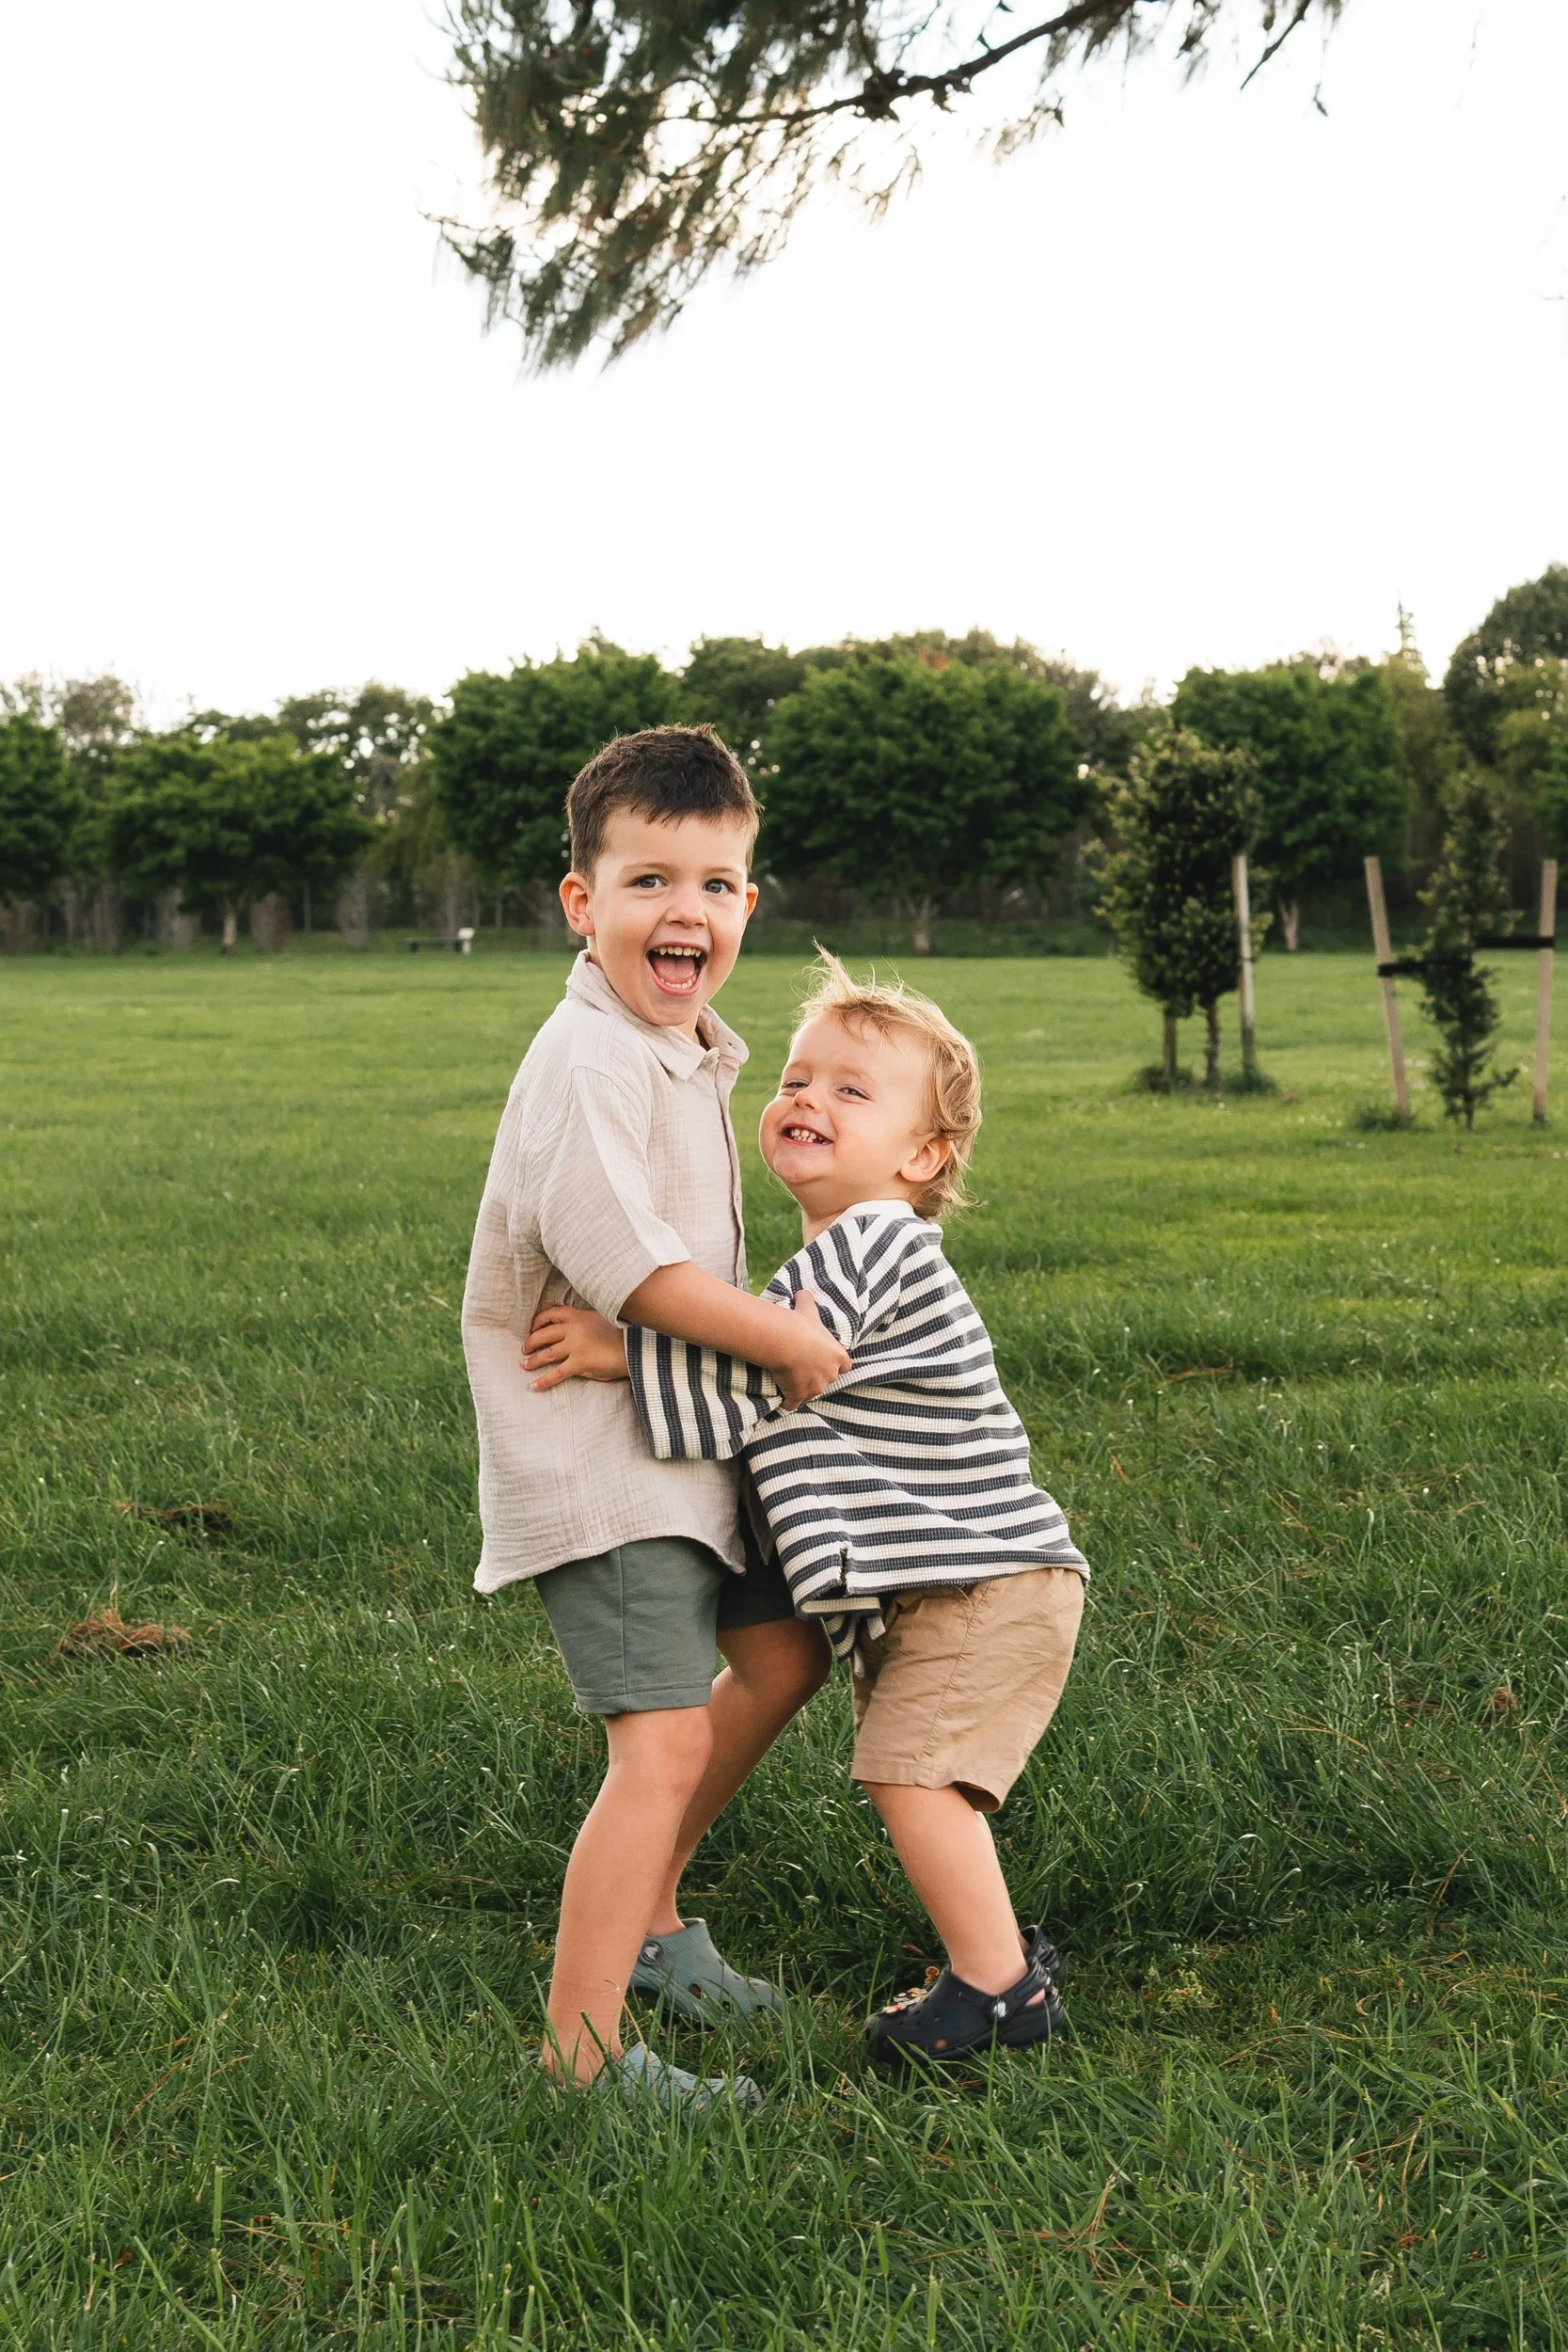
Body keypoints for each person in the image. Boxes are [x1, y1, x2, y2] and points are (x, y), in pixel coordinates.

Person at [524, 954, 1089, 2071]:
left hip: (984, 1584)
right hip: (960, 1583)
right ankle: (989, 1960)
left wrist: (617, 1351)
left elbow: (763, 1374)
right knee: (911, 1770)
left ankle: (996, 1984)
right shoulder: (838, 1251)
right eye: (794, 1079)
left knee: (909, 1773)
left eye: (849, 1090)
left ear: (922, 1155)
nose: (804, 1101)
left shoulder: (873, 1247)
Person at [461, 727, 848, 2106]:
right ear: (582, 902)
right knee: (661, 1735)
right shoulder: (588, 1062)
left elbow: (647, 1294)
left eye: (716, 882)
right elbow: (636, 1267)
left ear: (749, 901)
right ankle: (579, 2055)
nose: (682, 911)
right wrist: (789, 1340)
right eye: (646, 881)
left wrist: (660, 1344)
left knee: (787, 1654)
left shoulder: (679, 1046)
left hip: (685, 1438)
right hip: (605, 1465)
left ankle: (657, 1925)